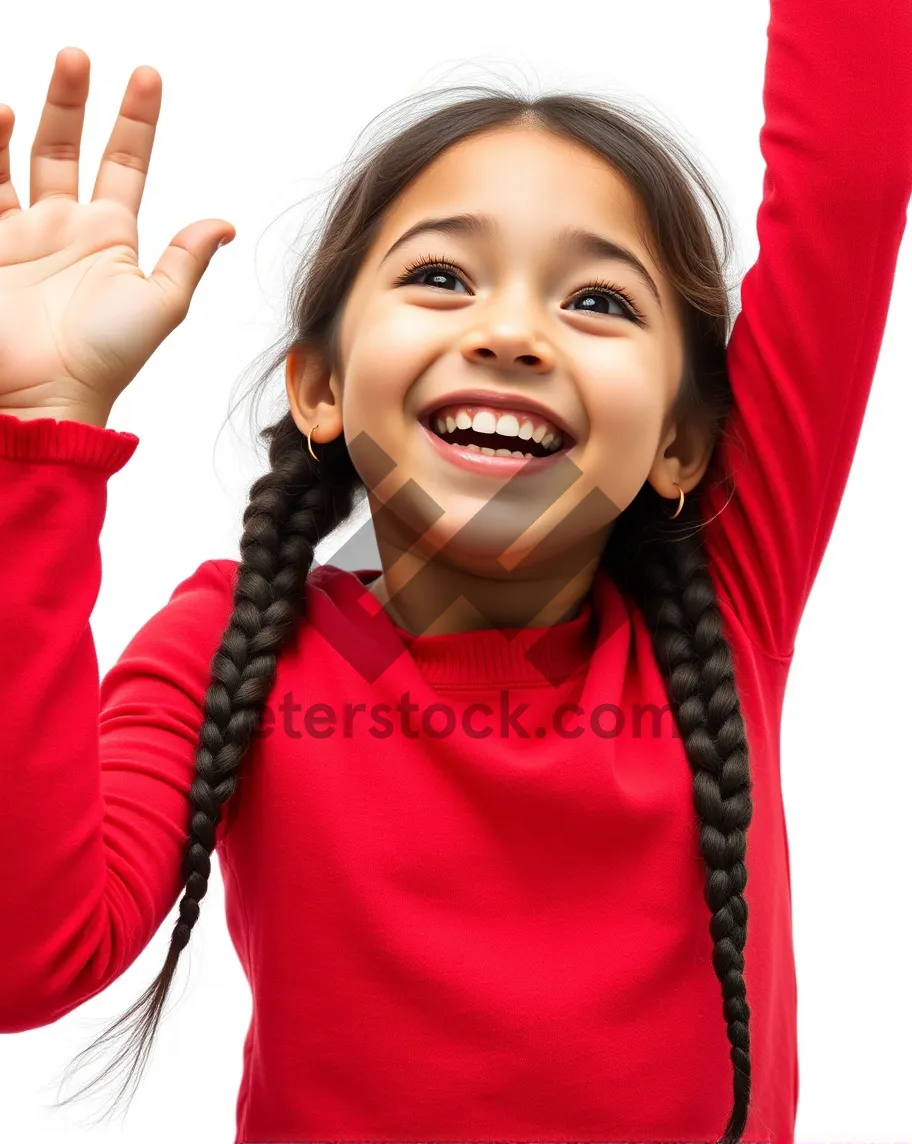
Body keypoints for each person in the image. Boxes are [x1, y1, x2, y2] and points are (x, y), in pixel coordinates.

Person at [0, 2, 909, 1141]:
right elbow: (27, 961)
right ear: (321, 387)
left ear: (684, 444)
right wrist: (36, 443)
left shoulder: (734, 593)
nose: (513, 332)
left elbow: (855, 179)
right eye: (441, 277)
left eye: (598, 301)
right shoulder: (230, 643)